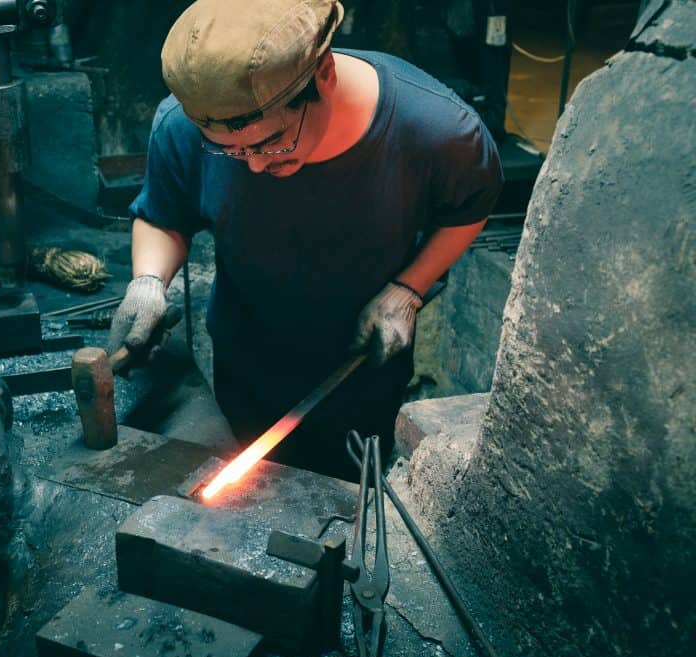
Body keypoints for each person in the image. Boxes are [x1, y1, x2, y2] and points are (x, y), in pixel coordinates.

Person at [106, 0, 503, 481]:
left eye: (272, 141)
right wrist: (148, 282)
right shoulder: (181, 127)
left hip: (359, 368)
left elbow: (469, 210)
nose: (254, 165)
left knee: (345, 499)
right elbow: (164, 214)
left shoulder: (436, 132)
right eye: (230, 150)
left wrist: (409, 289)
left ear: (325, 74)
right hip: (245, 355)